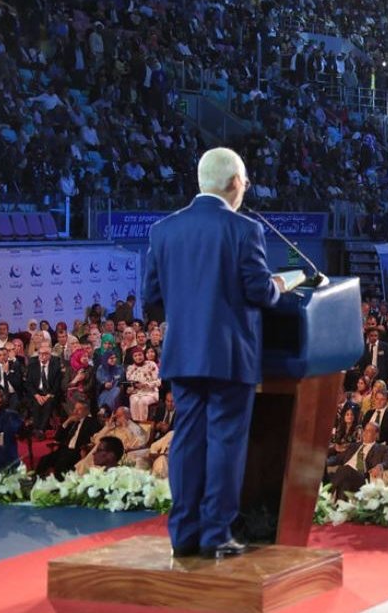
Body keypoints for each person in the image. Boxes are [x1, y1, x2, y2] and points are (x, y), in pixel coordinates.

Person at [142, 147, 286, 559]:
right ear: (234, 183)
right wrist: (280, 286)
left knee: (187, 440)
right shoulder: (243, 229)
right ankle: (215, 535)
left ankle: (183, 534)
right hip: (229, 355)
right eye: (245, 181)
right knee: (225, 440)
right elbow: (260, 290)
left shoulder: (163, 230)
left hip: (183, 354)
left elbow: (151, 297)